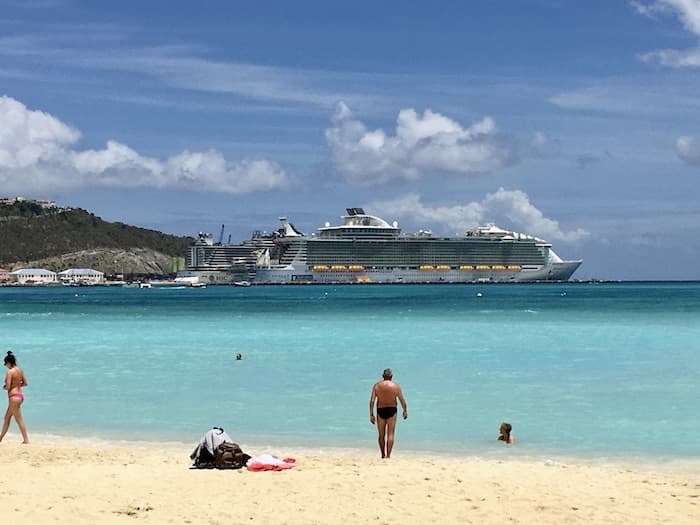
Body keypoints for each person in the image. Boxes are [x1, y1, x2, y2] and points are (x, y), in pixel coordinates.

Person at [369, 368, 407, 458]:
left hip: (380, 410)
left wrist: (371, 414)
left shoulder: (377, 386)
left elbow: (372, 401)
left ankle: (383, 454)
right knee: (391, 434)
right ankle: (388, 455)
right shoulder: (396, 386)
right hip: (392, 410)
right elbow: (402, 400)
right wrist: (405, 410)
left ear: (383, 376)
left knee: (381, 434)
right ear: (391, 377)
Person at [1, 351, 29, 444]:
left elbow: (8, 386)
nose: (6, 365)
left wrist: (4, 387)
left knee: (19, 419)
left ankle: (26, 440)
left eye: (6, 364)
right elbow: (25, 383)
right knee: (7, 418)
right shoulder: (20, 370)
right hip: (19, 396)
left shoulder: (10, 372)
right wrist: (17, 385)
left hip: (13, 397)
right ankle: (0, 438)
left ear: (9, 363)